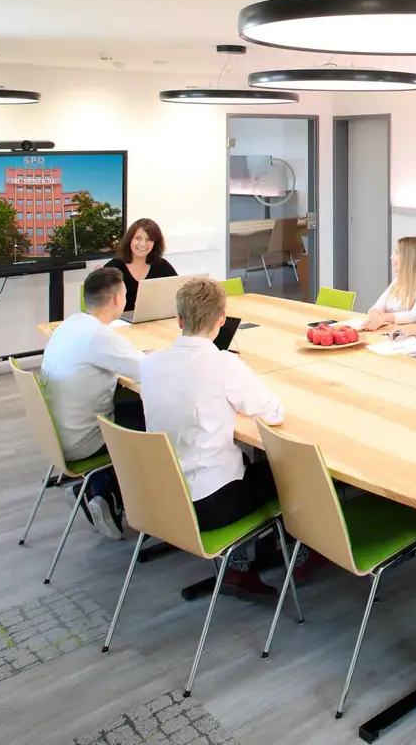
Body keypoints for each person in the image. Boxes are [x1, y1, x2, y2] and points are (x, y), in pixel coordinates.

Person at [140, 278, 320, 600]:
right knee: (296, 474)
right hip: (211, 502)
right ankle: (298, 555)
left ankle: (248, 558)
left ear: (179, 320)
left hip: (166, 494)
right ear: (222, 319)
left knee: (249, 464)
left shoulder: (150, 363)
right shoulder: (223, 364)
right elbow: (273, 413)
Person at [41, 267, 145, 539]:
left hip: (56, 433)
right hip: (83, 439)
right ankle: (107, 490)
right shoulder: (100, 337)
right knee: (154, 419)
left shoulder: (70, 324)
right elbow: (147, 371)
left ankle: (92, 489)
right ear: (117, 299)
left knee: (131, 403)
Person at [360, 237, 416, 331]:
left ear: (410, 258)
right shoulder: (397, 281)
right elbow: (377, 307)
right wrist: (374, 317)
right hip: (391, 332)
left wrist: (384, 318)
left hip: (411, 336)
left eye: (397, 253)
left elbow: (415, 315)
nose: (392, 257)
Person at [104, 218, 178, 312]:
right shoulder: (113, 267)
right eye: (138, 238)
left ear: (155, 243)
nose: (143, 244)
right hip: (118, 320)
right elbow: (101, 305)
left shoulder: (163, 266)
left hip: (155, 319)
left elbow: (179, 294)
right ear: (130, 240)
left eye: (149, 239)